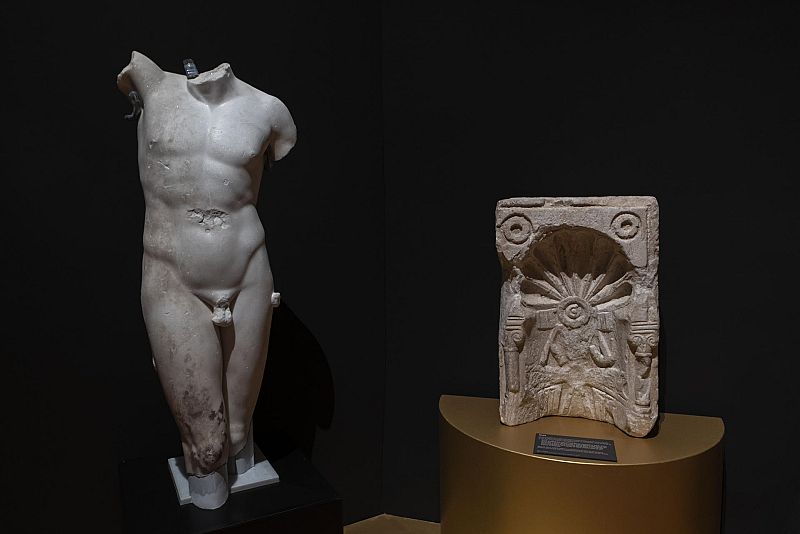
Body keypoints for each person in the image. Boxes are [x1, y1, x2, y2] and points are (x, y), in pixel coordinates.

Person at [117, 51, 296, 509]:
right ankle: (207, 497)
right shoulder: (152, 84)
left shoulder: (269, 110)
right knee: (208, 448)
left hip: (248, 270)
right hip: (171, 274)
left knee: (236, 433)